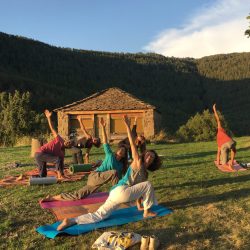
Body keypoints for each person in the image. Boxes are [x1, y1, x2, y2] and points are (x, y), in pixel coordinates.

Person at [57, 115, 162, 231]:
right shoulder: (137, 161)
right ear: (144, 155)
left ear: (153, 161)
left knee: (99, 215)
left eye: (152, 157)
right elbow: (132, 143)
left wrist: (139, 206)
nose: (149, 158)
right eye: (148, 155)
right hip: (121, 190)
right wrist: (127, 125)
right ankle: (147, 212)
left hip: (116, 193)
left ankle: (71, 220)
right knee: (148, 185)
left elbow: (139, 190)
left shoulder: (144, 173)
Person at [41, 117, 128, 201]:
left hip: (96, 182)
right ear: (117, 151)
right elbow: (105, 141)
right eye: (120, 149)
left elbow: (119, 180)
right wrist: (103, 127)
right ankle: (116, 194)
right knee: (114, 172)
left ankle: (52, 198)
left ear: (124, 155)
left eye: (123, 151)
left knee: (78, 195)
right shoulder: (110, 155)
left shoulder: (120, 165)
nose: (121, 150)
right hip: (94, 176)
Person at [35, 110, 73, 179]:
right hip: (39, 153)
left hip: (42, 155)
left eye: (69, 144)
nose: (68, 142)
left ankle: (60, 176)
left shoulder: (61, 153)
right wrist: (48, 118)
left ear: (67, 147)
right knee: (57, 159)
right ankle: (59, 176)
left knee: (43, 176)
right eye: (69, 141)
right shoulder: (59, 139)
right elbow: (52, 129)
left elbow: (61, 164)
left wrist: (63, 174)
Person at [213, 104, 237, 170]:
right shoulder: (221, 130)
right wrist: (214, 110)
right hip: (231, 142)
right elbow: (218, 119)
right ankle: (231, 162)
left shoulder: (218, 140)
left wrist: (218, 163)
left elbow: (218, 153)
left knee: (224, 164)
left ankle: (228, 166)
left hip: (224, 146)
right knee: (233, 149)